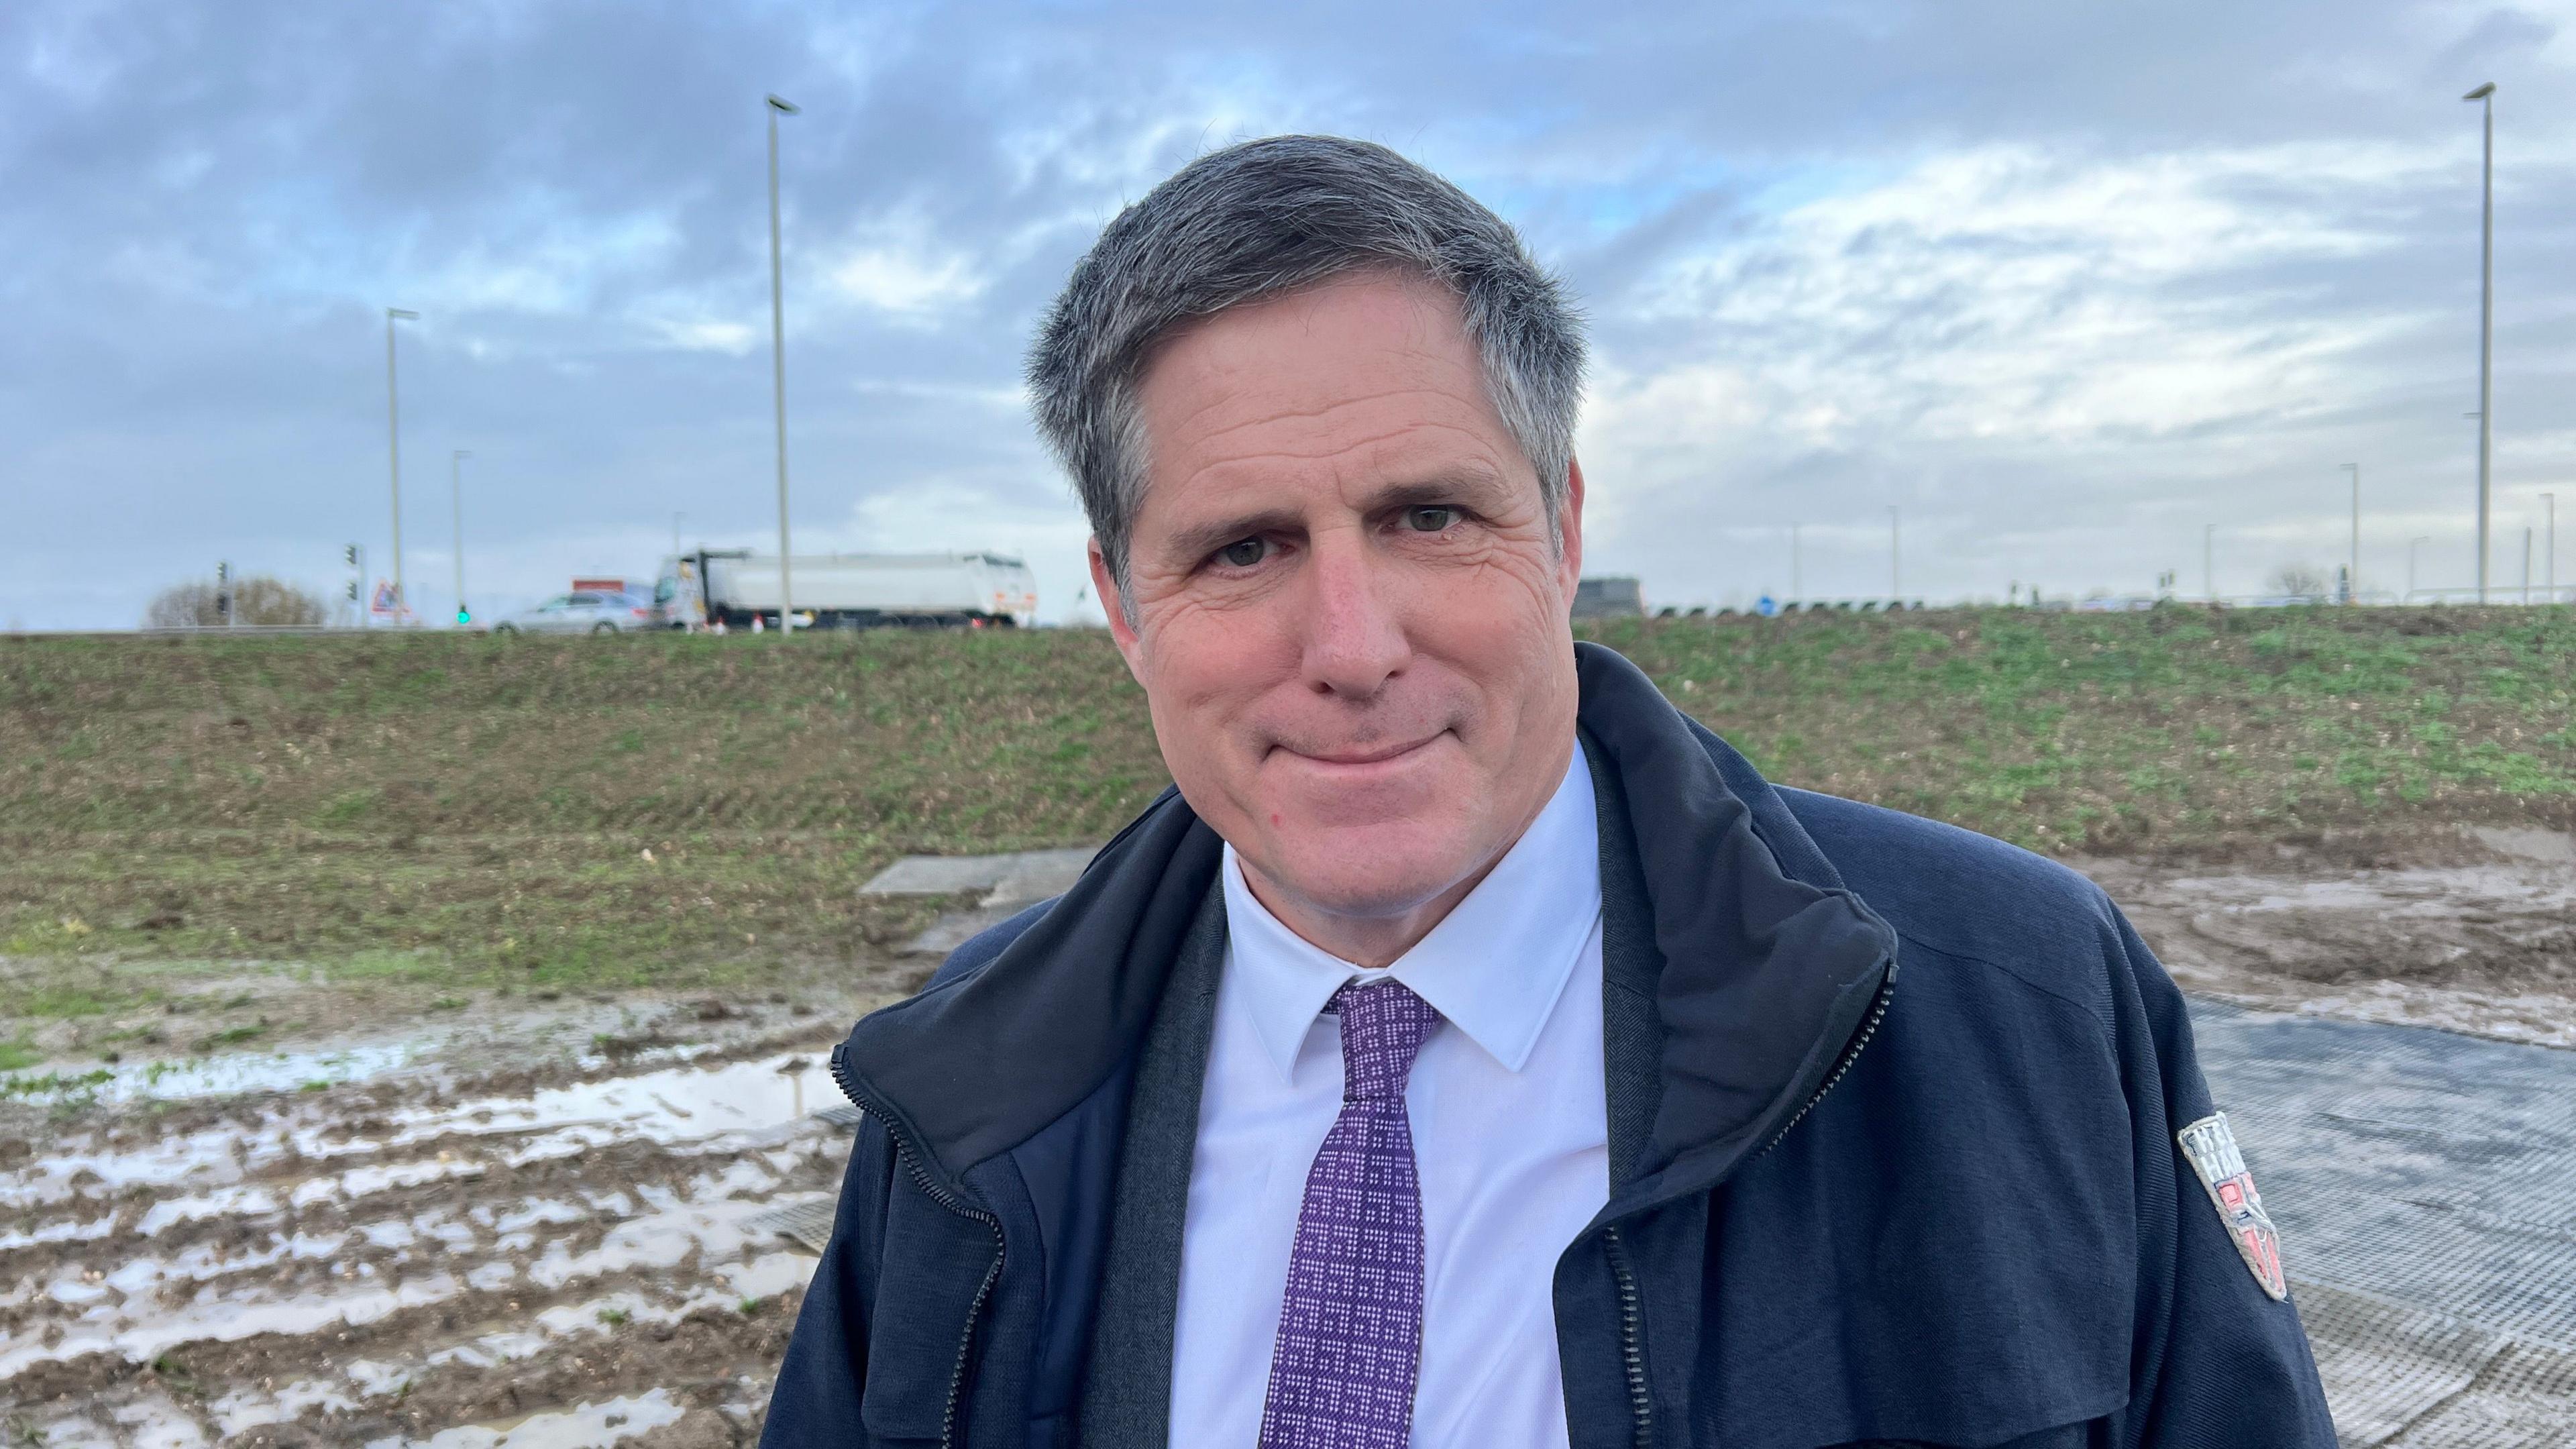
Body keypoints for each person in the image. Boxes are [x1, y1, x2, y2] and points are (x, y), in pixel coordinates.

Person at [763, 136, 2335, 1448]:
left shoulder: (2022, 1008)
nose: (1353, 647)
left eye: (1430, 516)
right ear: (1120, 604)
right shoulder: (973, 1082)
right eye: (1242, 549)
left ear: (1563, 530)